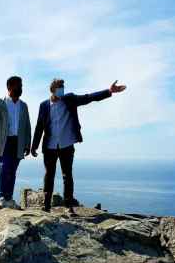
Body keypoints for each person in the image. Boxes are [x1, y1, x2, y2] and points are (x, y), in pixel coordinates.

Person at [31, 79, 127, 214]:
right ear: (52, 90)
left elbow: (88, 98)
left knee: (67, 176)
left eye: (63, 87)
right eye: (59, 87)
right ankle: (46, 206)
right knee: (49, 175)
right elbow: (39, 126)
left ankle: (68, 206)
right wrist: (34, 146)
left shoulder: (69, 99)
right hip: (50, 146)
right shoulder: (44, 105)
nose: (62, 90)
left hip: (66, 145)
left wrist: (109, 91)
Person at [0, 76, 32, 208]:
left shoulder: (24, 106)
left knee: (12, 170)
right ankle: (2, 197)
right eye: (18, 86)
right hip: (4, 142)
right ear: (9, 87)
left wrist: (27, 144)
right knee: (4, 167)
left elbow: (27, 126)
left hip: (18, 143)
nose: (20, 88)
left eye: (21, 86)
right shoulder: (1, 103)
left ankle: (9, 198)